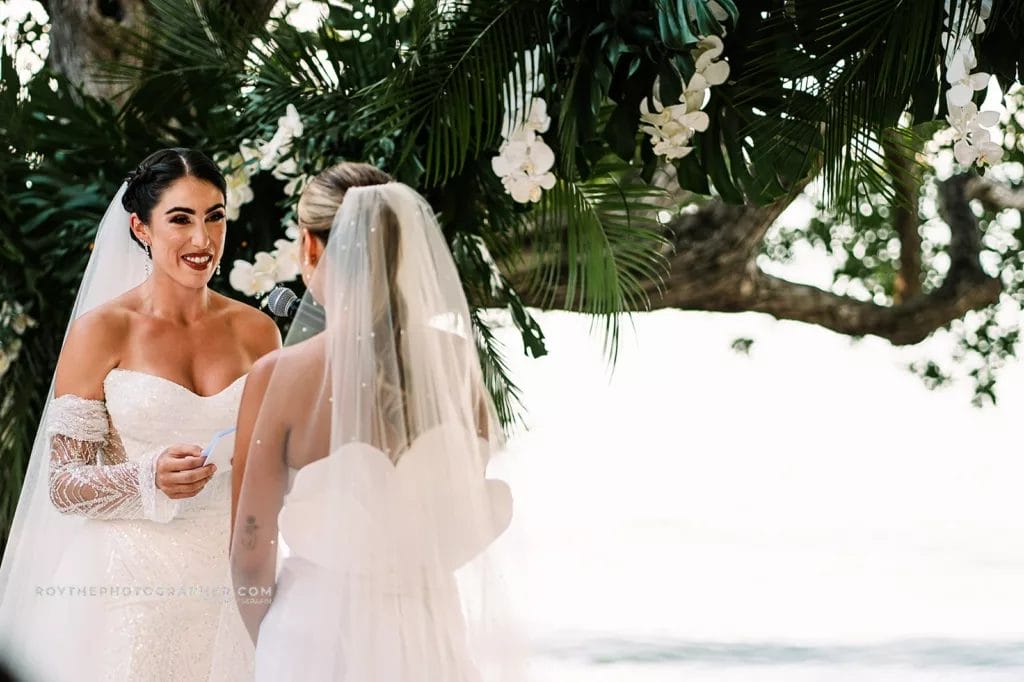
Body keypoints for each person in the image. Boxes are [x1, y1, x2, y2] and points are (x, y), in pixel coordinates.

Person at [223, 162, 520, 680]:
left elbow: (250, 551)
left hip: (311, 635)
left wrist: (267, 639)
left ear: (310, 249)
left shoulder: (279, 376)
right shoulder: (455, 366)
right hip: (428, 635)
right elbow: (454, 513)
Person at [0, 148, 280, 681]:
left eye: (214, 216)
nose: (203, 240)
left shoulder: (259, 332)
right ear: (140, 227)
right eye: (180, 219)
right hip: (131, 588)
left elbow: (270, 465)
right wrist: (145, 476)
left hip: (231, 580)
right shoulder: (102, 330)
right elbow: (62, 484)